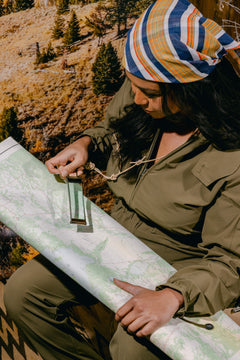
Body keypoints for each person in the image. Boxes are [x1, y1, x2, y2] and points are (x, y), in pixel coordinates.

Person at [4, 0, 240, 359]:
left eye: (150, 93)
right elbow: (110, 131)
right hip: (110, 232)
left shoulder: (232, 155)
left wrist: (173, 295)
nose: (137, 99)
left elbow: (229, 262)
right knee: (23, 294)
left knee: (132, 348)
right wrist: (86, 144)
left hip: (178, 264)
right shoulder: (143, 90)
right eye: (132, 86)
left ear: (193, 90)